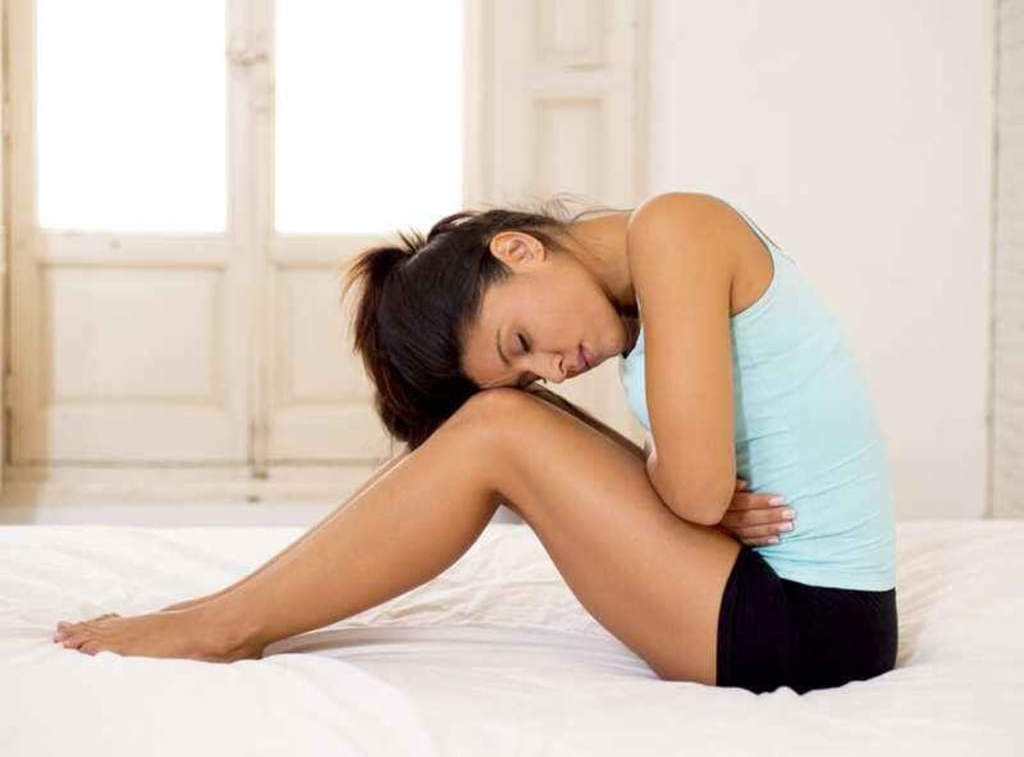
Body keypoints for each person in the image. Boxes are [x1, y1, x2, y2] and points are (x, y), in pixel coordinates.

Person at [52, 191, 897, 694]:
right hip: (762, 594)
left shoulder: (676, 230)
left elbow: (699, 493)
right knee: (496, 418)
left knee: (499, 425)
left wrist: (692, 490)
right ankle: (222, 612)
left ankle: (226, 627)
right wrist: (686, 486)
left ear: (518, 249)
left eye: (520, 342)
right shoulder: (649, 270)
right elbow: (693, 489)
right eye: (527, 367)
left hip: (808, 629)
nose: (553, 368)